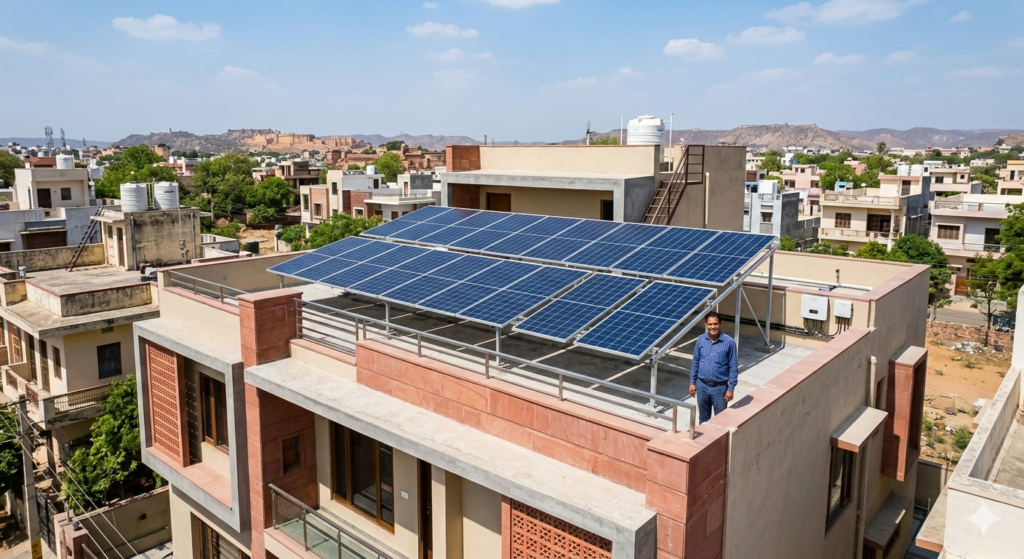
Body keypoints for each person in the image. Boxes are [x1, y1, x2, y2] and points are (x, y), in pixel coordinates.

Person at [688, 312, 738, 424]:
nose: (713, 327)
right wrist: (692, 382)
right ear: (706, 325)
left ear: (720, 324)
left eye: (715, 324)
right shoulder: (701, 340)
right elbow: (695, 361)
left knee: (720, 421)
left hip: (720, 389)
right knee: (703, 419)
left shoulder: (729, 342)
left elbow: (733, 367)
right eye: (710, 324)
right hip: (702, 386)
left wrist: (731, 389)